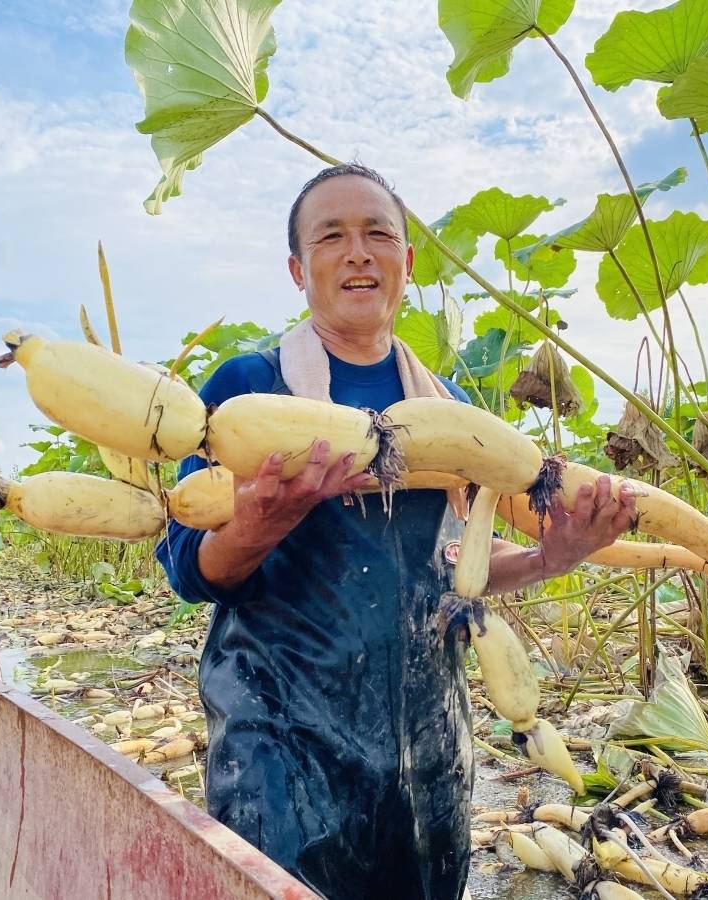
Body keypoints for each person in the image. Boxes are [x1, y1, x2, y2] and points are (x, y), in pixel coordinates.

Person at [157, 164, 638, 900]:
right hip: (281, 750)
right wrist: (259, 525)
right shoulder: (245, 393)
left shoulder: (447, 413)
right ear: (298, 269)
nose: (358, 252)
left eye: (378, 233)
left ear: (406, 263)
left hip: (427, 752)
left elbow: (453, 564)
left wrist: (549, 555)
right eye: (332, 237)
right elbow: (190, 573)